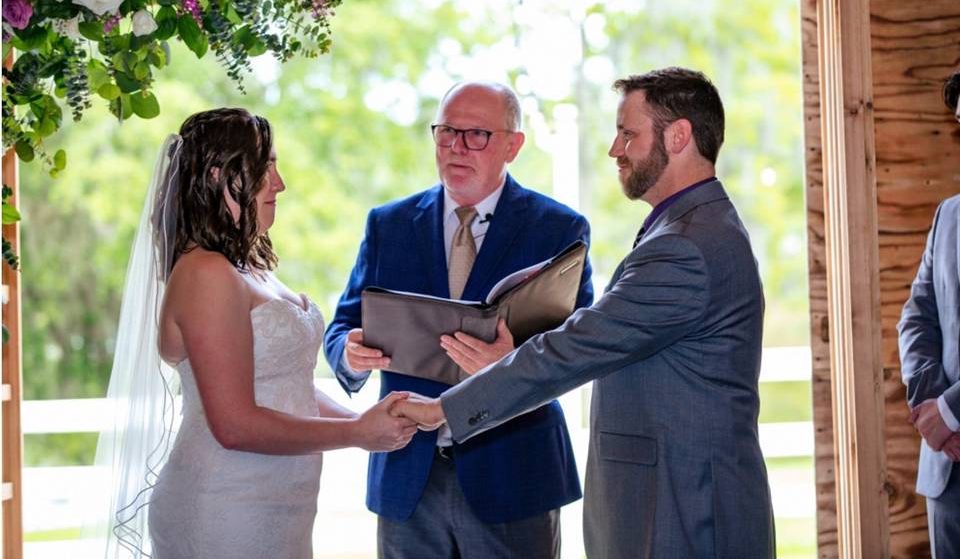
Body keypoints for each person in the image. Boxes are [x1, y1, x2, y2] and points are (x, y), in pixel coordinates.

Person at [396, 68, 776, 558]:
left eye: (628, 133)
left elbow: (579, 344)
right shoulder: (692, 226)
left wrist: (440, 410)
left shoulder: (687, 246)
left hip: (684, 506)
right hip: (677, 499)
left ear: (678, 136)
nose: (615, 149)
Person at [93, 108, 417, 558]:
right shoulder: (205, 272)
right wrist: (357, 435)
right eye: (265, 168)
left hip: (280, 503)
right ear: (217, 176)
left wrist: (373, 420)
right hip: (226, 502)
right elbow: (235, 425)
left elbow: (285, 387)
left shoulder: (248, 265)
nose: (279, 183)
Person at [323, 81, 593, 558]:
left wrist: (512, 364)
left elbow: (579, 352)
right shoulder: (388, 224)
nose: (456, 148)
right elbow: (341, 327)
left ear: (513, 145)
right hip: (407, 473)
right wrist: (349, 352)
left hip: (513, 472)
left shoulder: (560, 229)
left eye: (475, 135)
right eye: (446, 133)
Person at [897, 70, 960, 558]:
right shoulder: (948, 216)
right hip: (948, 471)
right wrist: (932, 409)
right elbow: (917, 317)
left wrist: (952, 412)